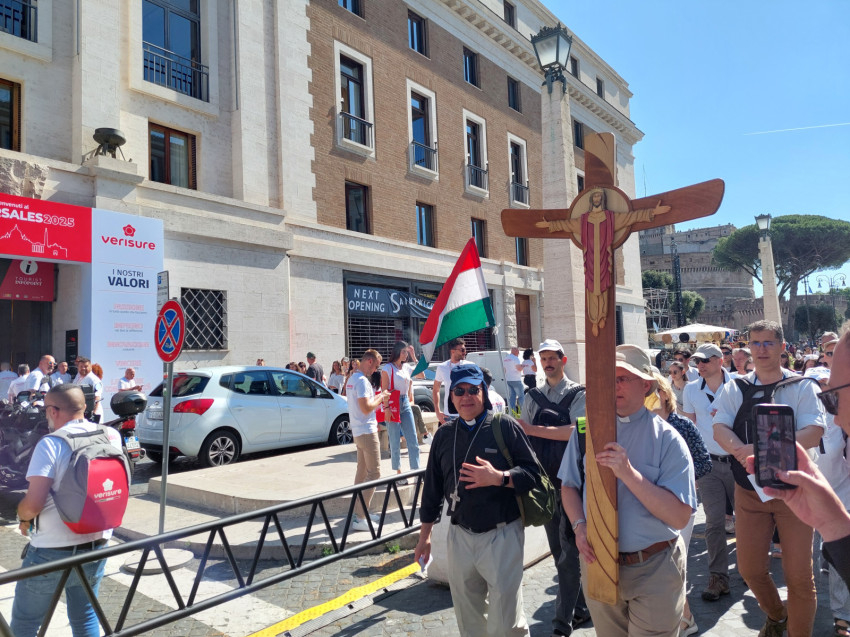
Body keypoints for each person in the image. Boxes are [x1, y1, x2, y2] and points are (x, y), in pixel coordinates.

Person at [559, 344, 696, 637]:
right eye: (609, 379)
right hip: (599, 563)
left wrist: (629, 474)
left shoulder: (668, 439)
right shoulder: (585, 431)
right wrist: (579, 526)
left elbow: (679, 516)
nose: (614, 386)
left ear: (645, 385)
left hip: (655, 567)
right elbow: (568, 486)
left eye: (622, 378)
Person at [712, 320, 826, 637]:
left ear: (782, 347)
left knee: (799, 577)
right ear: (749, 347)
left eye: (768, 343)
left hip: (796, 492)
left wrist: (762, 450)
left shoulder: (802, 386)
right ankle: (777, 616)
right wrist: (741, 452)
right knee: (749, 569)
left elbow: (814, 432)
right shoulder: (735, 387)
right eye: (756, 343)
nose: (761, 349)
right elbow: (720, 428)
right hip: (749, 491)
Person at [415, 363, 541, 636]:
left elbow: (533, 474)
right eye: (459, 391)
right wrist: (424, 537)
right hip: (460, 535)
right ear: (451, 397)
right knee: (469, 619)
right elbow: (432, 490)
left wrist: (499, 477)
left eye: (473, 390)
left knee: (506, 623)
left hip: (502, 534)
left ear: (483, 392)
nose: (466, 396)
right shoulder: (444, 435)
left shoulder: (504, 426)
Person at [10, 384, 124, 637]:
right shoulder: (111, 436)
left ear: (53, 411)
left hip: (51, 549)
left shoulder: (51, 443)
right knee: (85, 615)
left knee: (26, 622)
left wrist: (23, 517)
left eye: (46, 411)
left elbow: (33, 504)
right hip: (96, 544)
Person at [519, 339, 589, 636]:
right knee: (560, 551)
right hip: (545, 486)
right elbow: (523, 436)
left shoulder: (579, 394)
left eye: (552, 358)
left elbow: (579, 430)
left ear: (563, 360)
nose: (548, 363)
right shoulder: (531, 396)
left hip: (573, 483)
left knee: (569, 555)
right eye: (543, 358)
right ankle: (581, 608)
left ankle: (562, 623)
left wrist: (535, 430)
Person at [652, 372, 711, 637]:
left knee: (674, 563)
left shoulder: (683, 426)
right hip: (648, 505)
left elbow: (703, 462)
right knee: (658, 565)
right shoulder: (639, 425)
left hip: (680, 505)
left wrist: (680, 480)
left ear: (664, 394)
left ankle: (685, 618)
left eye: (651, 389)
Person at [681, 343, 736, 603]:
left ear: (720, 360)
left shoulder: (738, 385)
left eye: (705, 360)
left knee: (748, 520)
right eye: (697, 361)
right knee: (714, 522)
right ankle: (718, 576)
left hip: (738, 462)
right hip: (709, 464)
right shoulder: (691, 389)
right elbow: (690, 427)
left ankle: (753, 571)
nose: (700, 365)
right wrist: (690, 464)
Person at [345, 349, 389, 532]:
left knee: (362, 473)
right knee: (374, 473)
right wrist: (381, 397)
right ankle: (361, 517)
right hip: (366, 431)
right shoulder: (362, 381)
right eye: (376, 366)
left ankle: (359, 513)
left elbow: (362, 407)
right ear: (369, 361)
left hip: (359, 430)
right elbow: (366, 408)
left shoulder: (353, 378)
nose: (375, 370)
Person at [381, 341, 420, 483]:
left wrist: (414, 356)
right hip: (393, 403)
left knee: (413, 439)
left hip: (405, 402)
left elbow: (421, 374)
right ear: (397, 351)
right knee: (394, 440)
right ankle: (398, 474)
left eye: (407, 352)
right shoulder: (388, 368)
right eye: (404, 352)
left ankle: (416, 472)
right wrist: (386, 408)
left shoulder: (407, 367)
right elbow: (384, 390)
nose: (406, 355)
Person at [433, 338, 471, 425]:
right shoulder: (442, 367)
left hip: (467, 412)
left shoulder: (470, 366)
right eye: (462, 350)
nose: (464, 352)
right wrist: (437, 412)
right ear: (453, 351)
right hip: (449, 414)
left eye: (465, 349)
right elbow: (435, 389)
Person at [73, 357, 103, 423]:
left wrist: (93, 414)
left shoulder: (94, 380)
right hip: (81, 412)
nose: (83, 368)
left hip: (92, 414)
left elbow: (97, 398)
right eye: (81, 366)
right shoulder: (78, 377)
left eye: (86, 366)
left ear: (90, 367)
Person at [503, 346, 525, 413]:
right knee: (521, 396)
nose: (518, 353)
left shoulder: (505, 359)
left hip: (508, 379)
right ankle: (523, 412)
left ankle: (512, 412)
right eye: (518, 351)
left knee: (512, 397)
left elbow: (504, 370)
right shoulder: (515, 358)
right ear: (515, 351)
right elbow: (519, 369)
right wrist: (523, 366)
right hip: (516, 379)